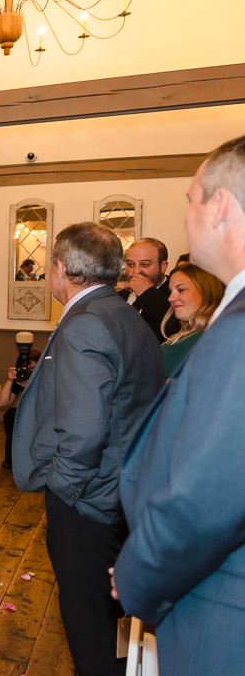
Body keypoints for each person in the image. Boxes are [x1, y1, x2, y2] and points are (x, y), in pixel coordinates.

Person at [112, 135, 245, 675]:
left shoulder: (237, 332)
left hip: (220, 606)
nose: (187, 214)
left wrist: (139, 573)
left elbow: (207, 496)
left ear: (219, 207)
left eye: (191, 200)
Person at [12, 222, 164, 676]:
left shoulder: (85, 324)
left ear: (60, 269)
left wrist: (66, 492)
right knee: (109, 622)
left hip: (89, 501)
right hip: (123, 489)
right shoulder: (123, 315)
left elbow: (83, 430)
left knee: (89, 629)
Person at [157, 262, 224, 376]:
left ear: (206, 292)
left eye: (181, 290)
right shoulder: (191, 335)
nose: (170, 298)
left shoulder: (202, 337)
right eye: (170, 291)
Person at [118, 237, 172, 341]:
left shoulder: (176, 295)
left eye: (144, 265)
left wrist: (148, 293)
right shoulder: (119, 297)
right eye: (131, 264)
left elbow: (177, 328)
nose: (135, 271)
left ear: (163, 267)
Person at [0, 347, 40, 470]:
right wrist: (10, 381)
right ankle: (11, 459)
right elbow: (2, 403)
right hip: (30, 412)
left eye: (34, 369)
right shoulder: (22, 377)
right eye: (27, 369)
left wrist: (31, 387)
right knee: (10, 415)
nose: (30, 372)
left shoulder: (47, 376)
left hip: (47, 413)